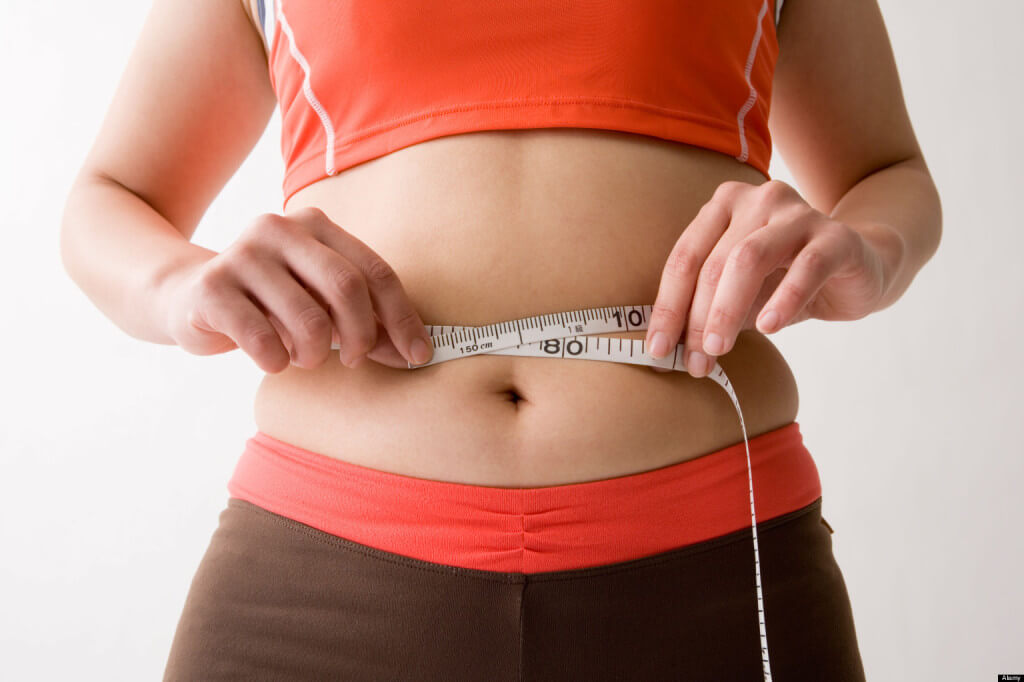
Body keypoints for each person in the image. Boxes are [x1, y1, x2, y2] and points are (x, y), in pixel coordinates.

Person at [60, 0, 941, 679]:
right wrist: (177, 286)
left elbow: (884, 173)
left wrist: (872, 247)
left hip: (715, 563)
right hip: (319, 578)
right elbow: (113, 194)